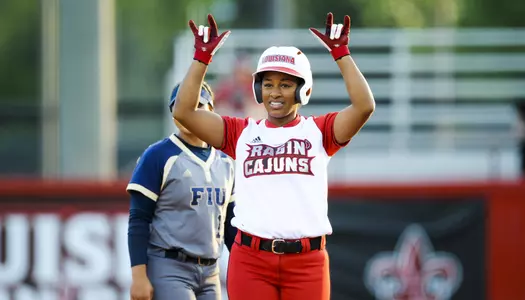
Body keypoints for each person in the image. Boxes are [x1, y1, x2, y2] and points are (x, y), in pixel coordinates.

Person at [173, 13, 375, 300]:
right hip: (251, 259)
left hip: (307, 261)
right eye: (267, 84)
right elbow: (184, 112)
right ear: (258, 89)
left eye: (285, 84)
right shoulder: (239, 132)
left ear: (303, 89)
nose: (275, 92)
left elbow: (364, 106)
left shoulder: (320, 131)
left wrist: (341, 53)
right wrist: (202, 58)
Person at [126, 81, 237, 300]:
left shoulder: (226, 162)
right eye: (181, 106)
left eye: (197, 105)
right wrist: (138, 276)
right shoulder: (158, 155)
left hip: (211, 270)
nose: (187, 111)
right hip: (169, 266)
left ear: (211, 111)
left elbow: (229, 223)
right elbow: (139, 218)